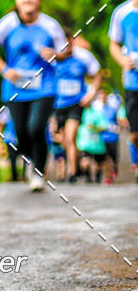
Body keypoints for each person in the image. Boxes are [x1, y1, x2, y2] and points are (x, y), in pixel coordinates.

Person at [0, 0, 67, 192]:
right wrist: (5, 70)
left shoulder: (50, 25)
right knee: (20, 132)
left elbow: (65, 50)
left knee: (36, 128)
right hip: (15, 89)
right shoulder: (7, 23)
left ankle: (38, 172)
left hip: (44, 87)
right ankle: (30, 162)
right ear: (17, 0)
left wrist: (55, 54)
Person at [52, 31, 101, 182]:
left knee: (70, 136)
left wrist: (91, 95)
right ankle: (75, 163)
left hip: (76, 103)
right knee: (64, 140)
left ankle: (72, 172)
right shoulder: (53, 58)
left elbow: (97, 75)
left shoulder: (83, 56)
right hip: (57, 104)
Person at [108, 0, 138, 184]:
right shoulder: (121, 13)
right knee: (135, 133)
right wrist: (122, 61)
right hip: (132, 81)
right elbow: (114, 44)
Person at [76, 103, 108, 183]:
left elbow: (104, 126)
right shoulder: (79, 111)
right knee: (85, 161)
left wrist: (94, 127)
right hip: (84, 143)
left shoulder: (97, 112)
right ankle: (88, 177)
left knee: (99, 163)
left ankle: (97, 179)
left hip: (96, 144)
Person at [0, 106, 21, 181]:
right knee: (12, 159)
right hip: (11, 139)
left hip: (23, 138)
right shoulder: (7, 110)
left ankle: (23, 176)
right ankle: (14, 176)